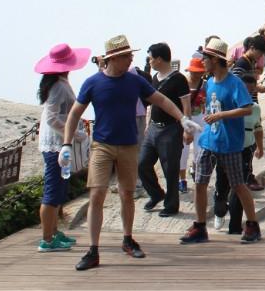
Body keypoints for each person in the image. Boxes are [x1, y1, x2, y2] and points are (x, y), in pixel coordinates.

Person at [61, 35, 199, 271]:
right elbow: (74, 114)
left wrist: (182, 119)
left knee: (127, 194)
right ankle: (93, 250)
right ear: (113, 58)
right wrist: (65, 145)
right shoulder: (93, 83)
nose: (132, 59)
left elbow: (162, 100)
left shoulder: (134, 81)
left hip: (128, 145)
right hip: (102, 146)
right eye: (127, 56)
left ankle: (127, 239)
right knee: (97, 195)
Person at [180, 38, 261, 245]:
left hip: (229, 143)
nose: (203, 62)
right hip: (209, 140)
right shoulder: (210, 83)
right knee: (200, 182)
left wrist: (221, 116)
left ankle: (252, 224)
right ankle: (199, 226)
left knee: (238, 184)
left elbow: (247, 108)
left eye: (205, 58)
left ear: (215, 59)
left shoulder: (234, 83)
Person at [35, 43, 90, 253]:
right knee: (52, 191)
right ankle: (47, 239)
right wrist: (73, 134)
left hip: (58, 145)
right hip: (56, 146)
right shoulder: (58, 86)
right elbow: (51, 118)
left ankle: (53, 232)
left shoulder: (57, 83)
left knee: (59, 189)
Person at [138, 42, 191, 218]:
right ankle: (156, 194)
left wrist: (187, 128)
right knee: (142, 163)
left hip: (171, 129)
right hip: (153, 128)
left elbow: (186, 105)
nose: (150, 61)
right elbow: (151, 103)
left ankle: (171, 205)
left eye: (151, 58)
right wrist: (147, 124)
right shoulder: (155, 78)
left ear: (159, 59)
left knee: (170, 170)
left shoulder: (179, 79)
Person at [228, 74, 263, 234]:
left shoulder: (255, 108)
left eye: (250, 90)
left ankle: (234, 226)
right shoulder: (229, 104)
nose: (247, 94)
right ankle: (220, 208)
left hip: (245, 149)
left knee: (239, 186)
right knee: (223, 187)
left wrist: (260, 147)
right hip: (227, 149)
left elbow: (258, 127)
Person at [179, 54, 207, 194]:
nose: (196, 75)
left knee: (199, 150)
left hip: (200, 118)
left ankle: (196, 172)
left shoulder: (205, 84)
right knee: (182, 151)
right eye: (194, 72)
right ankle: (182, 180)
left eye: (199, 72)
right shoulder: (182, 84)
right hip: (184, 119)